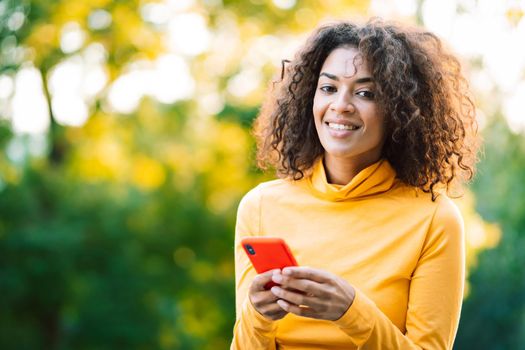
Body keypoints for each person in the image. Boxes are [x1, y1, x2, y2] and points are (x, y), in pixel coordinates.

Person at [231, 18, 478, 350]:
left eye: (365, 93)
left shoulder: (435, 219)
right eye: (329, 88)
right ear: (310, 97)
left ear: (399, 109)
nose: (341, 105)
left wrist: (351, 311)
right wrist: (259, 315)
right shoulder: (260, 206)